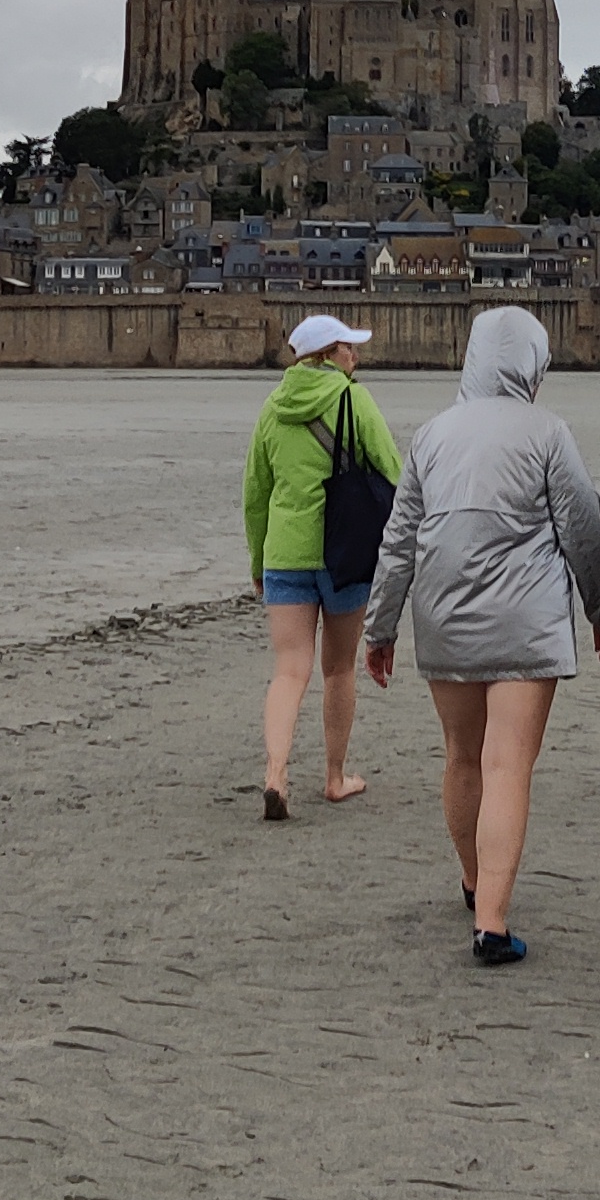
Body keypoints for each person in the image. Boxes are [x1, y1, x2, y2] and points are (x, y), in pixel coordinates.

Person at [364, 306, 600, 966]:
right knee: (508, 764)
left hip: (444, 614)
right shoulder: (548, 432)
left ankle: (474, 877)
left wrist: (379, 626)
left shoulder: (431, 436)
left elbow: (399, 541)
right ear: (533, 365)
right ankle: (492, 922)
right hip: (526, 622)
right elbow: (584, 529)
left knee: (462, 756)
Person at [242, 313, 402, 822]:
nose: (356, 355)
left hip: (284, 553)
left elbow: (255, 495)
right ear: (328, 355)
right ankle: (334, 778)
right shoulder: (354, 400)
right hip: (344, 552)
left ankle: (275, 774)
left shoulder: (272, 408)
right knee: (338, 668)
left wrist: (258, 561)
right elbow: (394, 471)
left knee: (289, 670)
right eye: (348, 347)